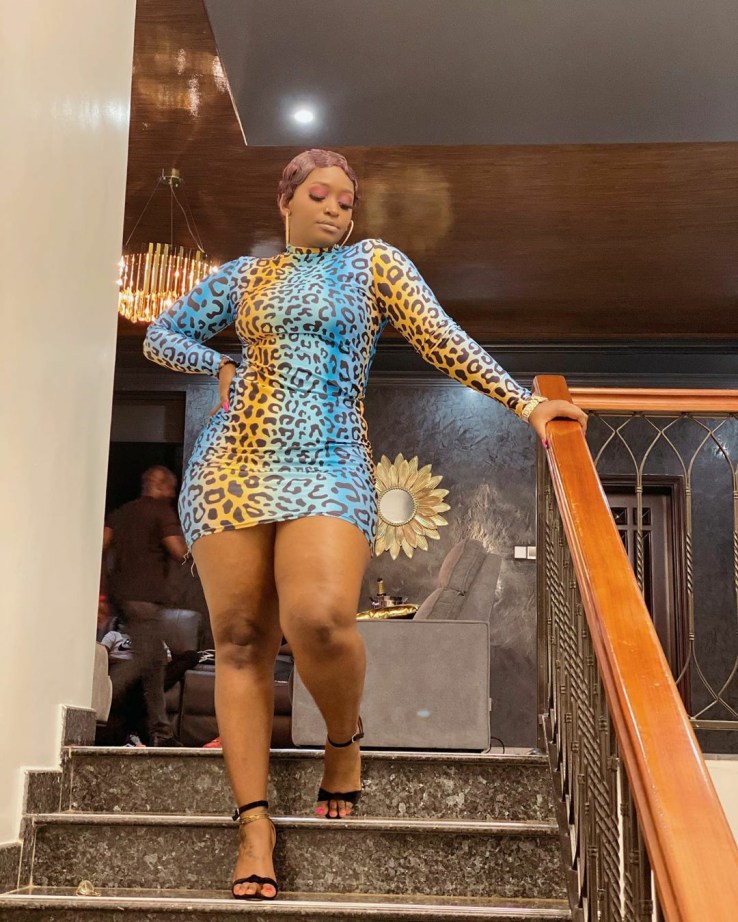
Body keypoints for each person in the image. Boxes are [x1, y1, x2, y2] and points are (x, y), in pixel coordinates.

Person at [142, 149, 587, 900]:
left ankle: (343, 738)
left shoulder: (374, 263)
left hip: (331, 457)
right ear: (286, 200)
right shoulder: (245, 276)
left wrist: (525, 402)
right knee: (241, 639)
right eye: (320, 195)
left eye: (346, 203)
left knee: (318, 617)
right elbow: (161, 335)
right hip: (231, 465)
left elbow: (440, 336)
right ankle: (254, 825)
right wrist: (216, 365)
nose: (336, 210)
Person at [103, 465, 189, 746]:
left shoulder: (121, 513)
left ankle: (162, 733)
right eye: (171, 488)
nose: (173, 494)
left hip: (121, 596)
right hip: (145, 599)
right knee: (143, 658)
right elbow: (178, 551)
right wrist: (198, 548)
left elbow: (101, 544)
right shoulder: (161, 511)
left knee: (154, 663)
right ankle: (95, 699)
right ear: (160, 485)